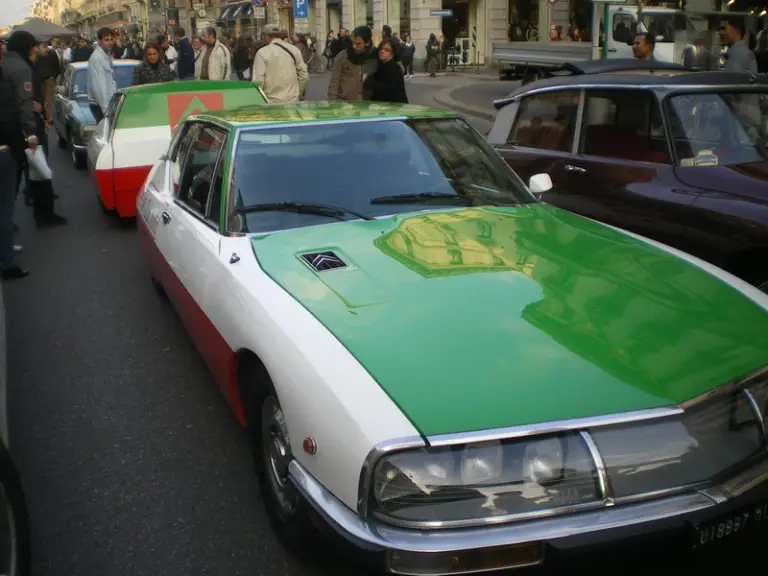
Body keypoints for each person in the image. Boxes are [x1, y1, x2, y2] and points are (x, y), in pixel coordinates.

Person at [0, 35, 36, 278]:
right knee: (4, 207)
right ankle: (7, 262)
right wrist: (29, 134)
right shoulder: (13, 71)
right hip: (3, 147)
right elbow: (15, 110)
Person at [252, 26, 308, 104]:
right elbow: (304, 76)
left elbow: (258, 81)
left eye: (262, 36)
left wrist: (259, 100)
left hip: (271, 101)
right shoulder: (294, 49)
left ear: (266, 36)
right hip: (292, 100)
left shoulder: (262, 53)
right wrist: (297, 92)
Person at [327, 26, 377, 101]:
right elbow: (334, 83)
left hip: (367, 105)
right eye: (352, 42)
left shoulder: (374, 57)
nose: (353, 46)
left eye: (358, 44)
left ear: (367, 43)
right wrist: (333, 104)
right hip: (344, 104)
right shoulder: (342, 56)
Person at [86, 27, 117, 123]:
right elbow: (99, 87)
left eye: (112, 39)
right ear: (99, 41)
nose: (110, 42)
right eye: (106, 40)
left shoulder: (106, 55)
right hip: (101, 106)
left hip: (107, 104)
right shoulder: (97, 58)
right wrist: (107, 112)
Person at [363, 38, 408, 103]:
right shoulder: (382, 64)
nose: (382, 51)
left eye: (387, 50)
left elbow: (386, 90)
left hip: (394, 106)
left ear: (393, 53)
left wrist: (367, 80)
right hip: (384, 105)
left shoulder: (394, 68)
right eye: (381, 49)